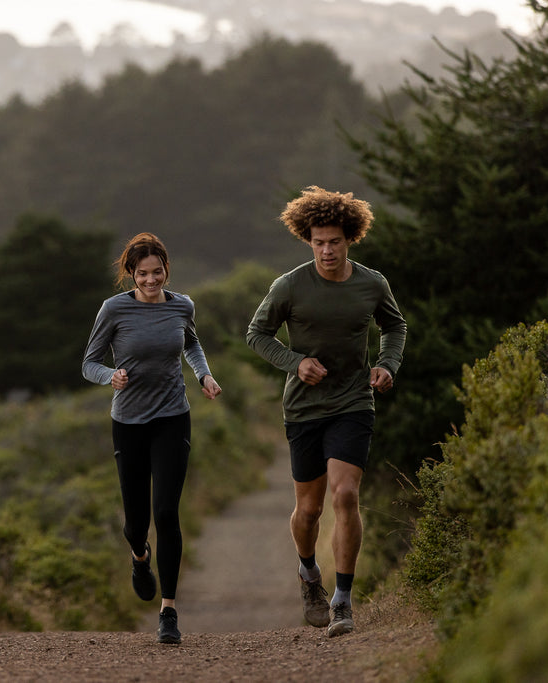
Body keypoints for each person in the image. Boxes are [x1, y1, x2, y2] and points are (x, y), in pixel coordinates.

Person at [245, 186, 407, 638]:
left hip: (353, 402)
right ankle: (309, 574)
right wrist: (295, 362)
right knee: (310, 509)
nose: (327, 250)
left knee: (346, 496)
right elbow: (257, 335)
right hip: (303, 408)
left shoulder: (371, 283)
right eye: (318, 241)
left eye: (334, 241)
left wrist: (387, 364)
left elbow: (395, 326)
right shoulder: (290, 285)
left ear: (349, 238)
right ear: (307, 239)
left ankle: (342, 601)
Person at [82, 232, 222, 645]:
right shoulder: (113, 310)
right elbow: (89, 363)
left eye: (157, 272)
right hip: (128, 422)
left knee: (166, 513)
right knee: (136, 523)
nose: (150, 280)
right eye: (142, 273)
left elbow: (191, 343)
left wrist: (204, 374)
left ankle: (169, 612)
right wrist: (112, 376)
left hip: (172, 418)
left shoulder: (182, 305)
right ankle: (140, 558)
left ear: (166, 270)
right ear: (131, 274)